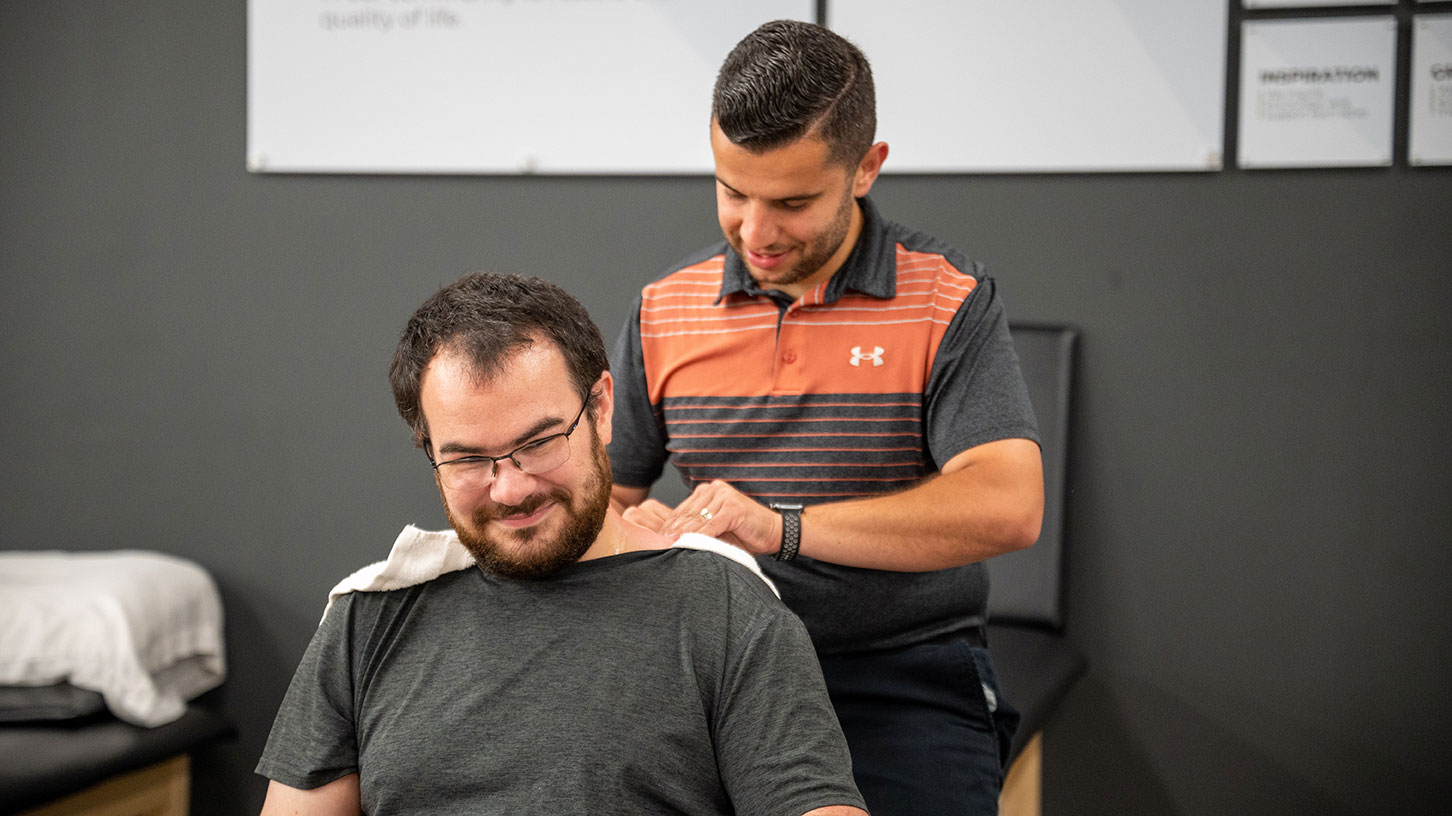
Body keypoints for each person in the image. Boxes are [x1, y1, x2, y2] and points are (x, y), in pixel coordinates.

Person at [608, 20, 1045, 815]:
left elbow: (1008, 506)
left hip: (899, 671)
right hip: (717, 665)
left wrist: (781, 527)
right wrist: (636, 538)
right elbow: (608, 493)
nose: (756, 232)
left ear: (866, 169)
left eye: (793, 202)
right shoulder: (662, 310)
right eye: (732, 192)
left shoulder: (948, 299)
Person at [255, 273, 868, 816]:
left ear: (601, 409)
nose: (511, 488)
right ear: (429, 452)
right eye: (468, 459)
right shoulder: (370, 615)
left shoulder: (723, 608)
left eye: (540, 442)